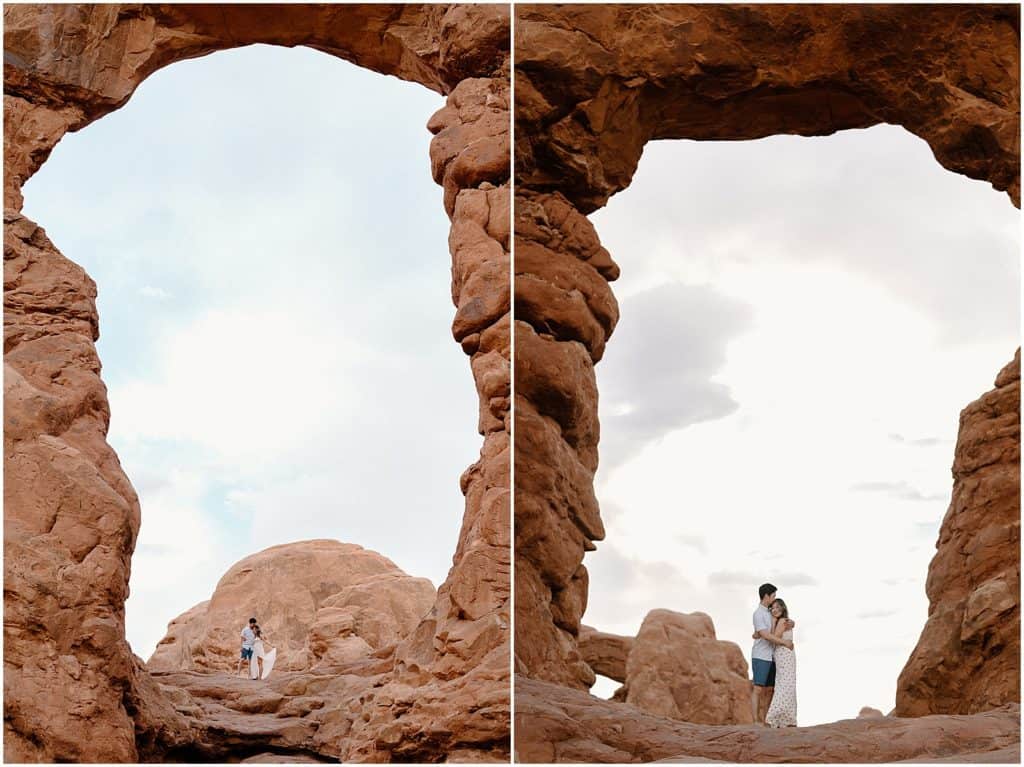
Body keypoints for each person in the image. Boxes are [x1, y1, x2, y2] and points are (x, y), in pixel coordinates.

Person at [750, 583, 794, 725]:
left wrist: (791, 622)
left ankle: (767, 720)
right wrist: (784, 643)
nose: (774, 599)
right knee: (758, 689)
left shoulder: (770, 612)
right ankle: (756, 721)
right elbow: (766, 635)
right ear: (766, 596)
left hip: (773, 657)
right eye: (773, 596)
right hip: (761, 655)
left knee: (770, 690)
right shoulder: (758, 614)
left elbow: (781, 620)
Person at [765, 598, 797, 727]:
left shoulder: (783, 621)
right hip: (784, 654)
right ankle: (781, 717)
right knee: (786, 684)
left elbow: (775, 638)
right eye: (772, 608)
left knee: (785, 684)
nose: (775, 610)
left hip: (784, 653)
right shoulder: (783, 621)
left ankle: (778, 718)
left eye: (778, 607)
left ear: (783, 608)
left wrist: (773, 623)